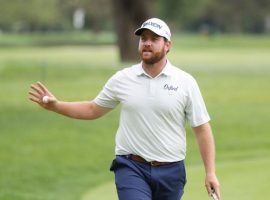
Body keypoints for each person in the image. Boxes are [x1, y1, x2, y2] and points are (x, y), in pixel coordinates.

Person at [29, 18, 220, 200]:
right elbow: (92, 109)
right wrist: (56, 106)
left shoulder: (185, 82)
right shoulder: (123, 79)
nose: (147, 43)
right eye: (143, 39)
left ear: (167, 45)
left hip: (171, 171)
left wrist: (210, 172)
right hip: (132, 167)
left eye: (154, 39)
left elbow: (202, 129)